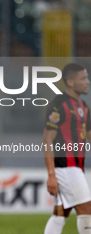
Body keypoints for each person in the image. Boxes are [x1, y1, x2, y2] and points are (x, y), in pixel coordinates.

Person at [43, 63, 91, 234]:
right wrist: (51, 175)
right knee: (87, 210)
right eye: (83, 78)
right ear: (70, 82)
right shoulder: (58, 104)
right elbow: (47, 140)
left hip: (76, 166)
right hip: (65, 166)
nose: (87, 82)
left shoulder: (84, 107)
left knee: (60, 214)